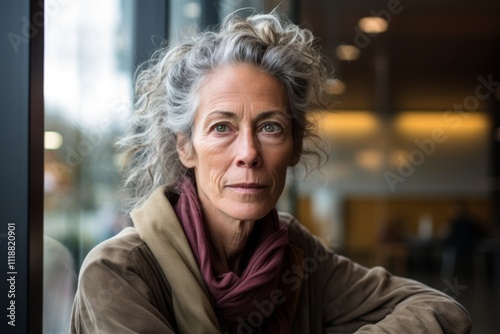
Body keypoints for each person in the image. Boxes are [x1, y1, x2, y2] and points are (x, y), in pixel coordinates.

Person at [70, 10, 472, 333]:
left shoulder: (297, 255)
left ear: (295, 146)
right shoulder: (120, 271)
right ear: (185, 147)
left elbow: (441, 309)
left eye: (270, 127)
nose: (248, 153)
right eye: (222, 127)